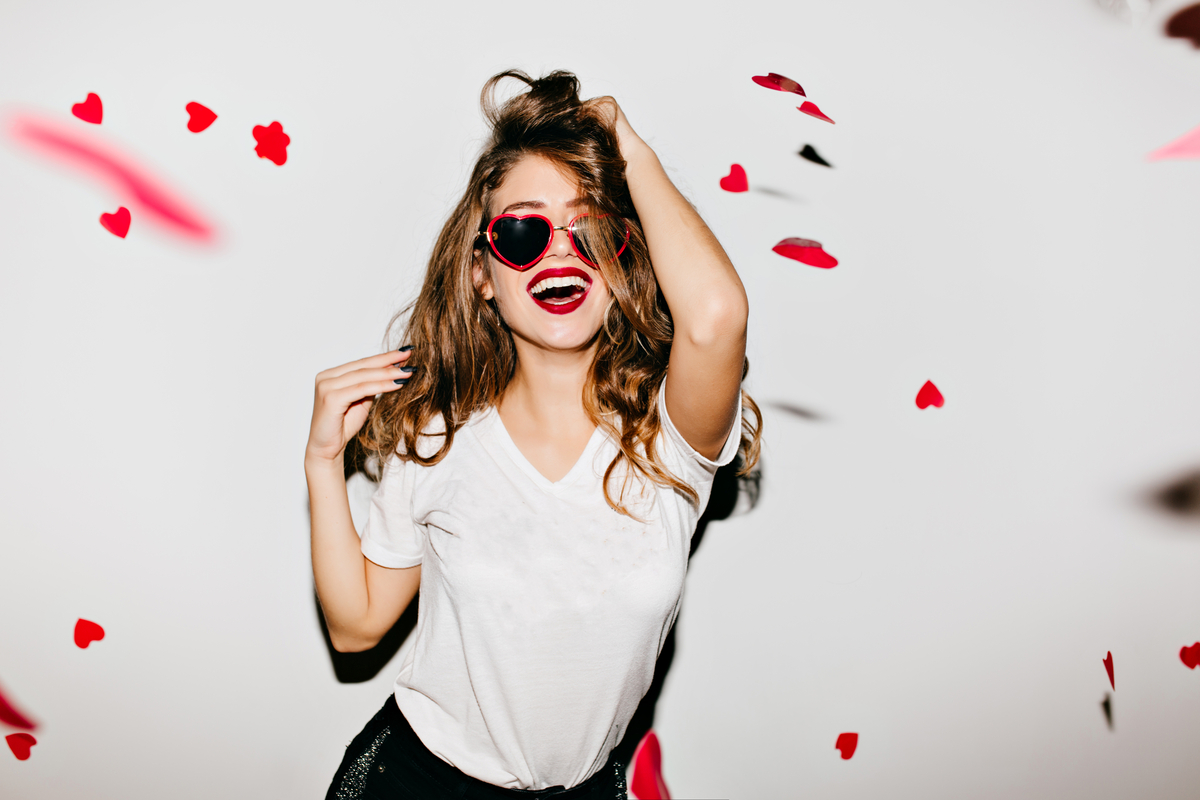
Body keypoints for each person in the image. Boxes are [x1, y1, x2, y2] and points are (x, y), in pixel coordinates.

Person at [305, 69, 762, 800]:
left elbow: (715, 318)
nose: (559, 253)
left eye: (590, 230)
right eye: (523, 231)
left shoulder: (669, 438)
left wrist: (628, 149)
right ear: (482, 274)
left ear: (622, 260)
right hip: (417, 785)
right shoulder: (439, 436)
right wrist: (325, 460)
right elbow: (356, 627)